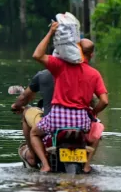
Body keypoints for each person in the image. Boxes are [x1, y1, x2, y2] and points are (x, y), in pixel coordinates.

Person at [30, 21, 109, 173]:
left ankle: (45, 165)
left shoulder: (60, 65)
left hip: (57, 119)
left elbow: (37, 55)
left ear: (76, 49)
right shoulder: (95, 74)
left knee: (34, 133)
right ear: (91, 55)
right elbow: (104, 101)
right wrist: (93, 112)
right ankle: (86, 166)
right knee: (97, 132)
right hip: (81, 122)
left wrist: (51, 32)